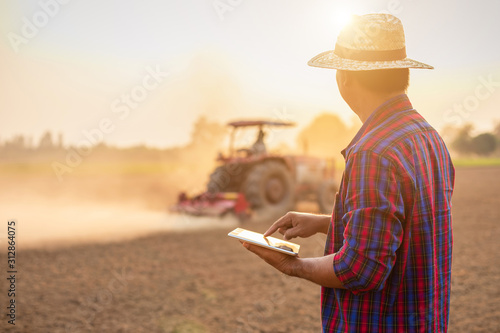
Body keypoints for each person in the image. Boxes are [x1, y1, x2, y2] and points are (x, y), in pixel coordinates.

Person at [241, 13, 455, 332]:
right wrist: (328, 223)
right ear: (402, 72)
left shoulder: (373, 151)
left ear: (344, 77)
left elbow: (361, 269)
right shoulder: (429, 138)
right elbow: (400, 229)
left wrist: (294, 266)